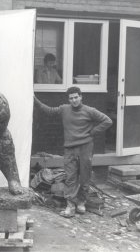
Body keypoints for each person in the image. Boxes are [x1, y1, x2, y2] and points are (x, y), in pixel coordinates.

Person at [34, 86, 112, 218]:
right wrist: (34, 99)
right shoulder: (64, 109)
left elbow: (107, 121)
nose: (74, 100)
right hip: (69, 148)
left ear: (81, 97)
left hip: (85, 147)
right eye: (71, 98)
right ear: (68, 100)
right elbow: (48, 110)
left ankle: (81, 202)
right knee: (70, 177)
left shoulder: (89, 111)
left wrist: (93, 132)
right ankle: (70, 205)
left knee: (85, 177)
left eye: (76, 97)